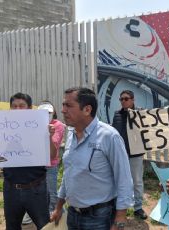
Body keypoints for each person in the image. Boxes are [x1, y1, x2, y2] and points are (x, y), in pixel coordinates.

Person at [50, 87, 133, 230]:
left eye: (68, 106)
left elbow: (124, 179)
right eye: (63, 105)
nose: (63, 110)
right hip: (73, 214)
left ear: (87, 110)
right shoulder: (71, 134)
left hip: (99, 218)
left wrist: (120, 218)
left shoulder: (109, 136)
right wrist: (58, 207)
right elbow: (69, 174)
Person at [4, 92, 56, 230]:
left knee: (44, 226)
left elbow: (52, 155)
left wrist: (49, 137)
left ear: (30, 108)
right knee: (12, 226)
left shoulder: (41, 127)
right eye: (14, 106)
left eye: (22, 106)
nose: (18, 110)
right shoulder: (2, 128)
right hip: (10, 188)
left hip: (36, 188)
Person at [112, 90, 147, 220]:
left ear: (132, 100)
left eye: (126, 99)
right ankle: (120, 207)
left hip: (136, 154)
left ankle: (138, 208)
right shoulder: (117, 115)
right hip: (121, 154)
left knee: (137, 181)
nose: (123, 101)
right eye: (121, 99)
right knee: (119, 181)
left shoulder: (141, 114)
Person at [38, 101, 66, 214]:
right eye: (43, 112)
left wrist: (47, 134)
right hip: (36, 165)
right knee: (39, 195)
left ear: (53, 112)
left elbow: (52, 153)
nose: (46, 115)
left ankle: (59, 219)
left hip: (50, 166)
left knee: (52, 196)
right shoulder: (34, 124)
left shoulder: (58, 125)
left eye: (49, 112)